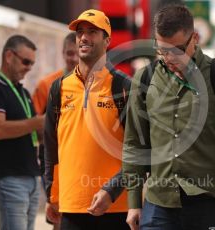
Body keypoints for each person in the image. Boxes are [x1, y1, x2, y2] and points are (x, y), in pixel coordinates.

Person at [123, 4, 215, 230]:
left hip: (210, 203)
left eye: (177, 50)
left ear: (195, 38)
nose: (169, 58)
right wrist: (134, 202)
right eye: (162, 50)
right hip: (158, 205)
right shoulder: (144, 79)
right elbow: (134, 143)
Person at [44, 9, 130, 230]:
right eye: (80, 32)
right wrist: (51, 195)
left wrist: (112, 190)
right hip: (71, 205)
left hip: (116, 206)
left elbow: (140, 150)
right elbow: (51, 145)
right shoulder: (59, 87)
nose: (84, 37)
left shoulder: (123, 87)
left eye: (92, 31)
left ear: (107, 40)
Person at [0, 35, 44, 230]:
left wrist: (46, 129)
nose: (29, 67)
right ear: (8, 56)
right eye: (26, 61)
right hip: (9, 177)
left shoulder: (23, 92)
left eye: (32, 63)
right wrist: (37, 122)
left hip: (30, 176)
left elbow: (32, 133)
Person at [32, 32, 77, 230]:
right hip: (54, 160)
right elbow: (34, 124)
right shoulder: (47, 85)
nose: (73, 58)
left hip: (79, 161)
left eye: (76, 53)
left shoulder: (94, 84)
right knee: (57, 214)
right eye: (69, 53)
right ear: (62, 53)